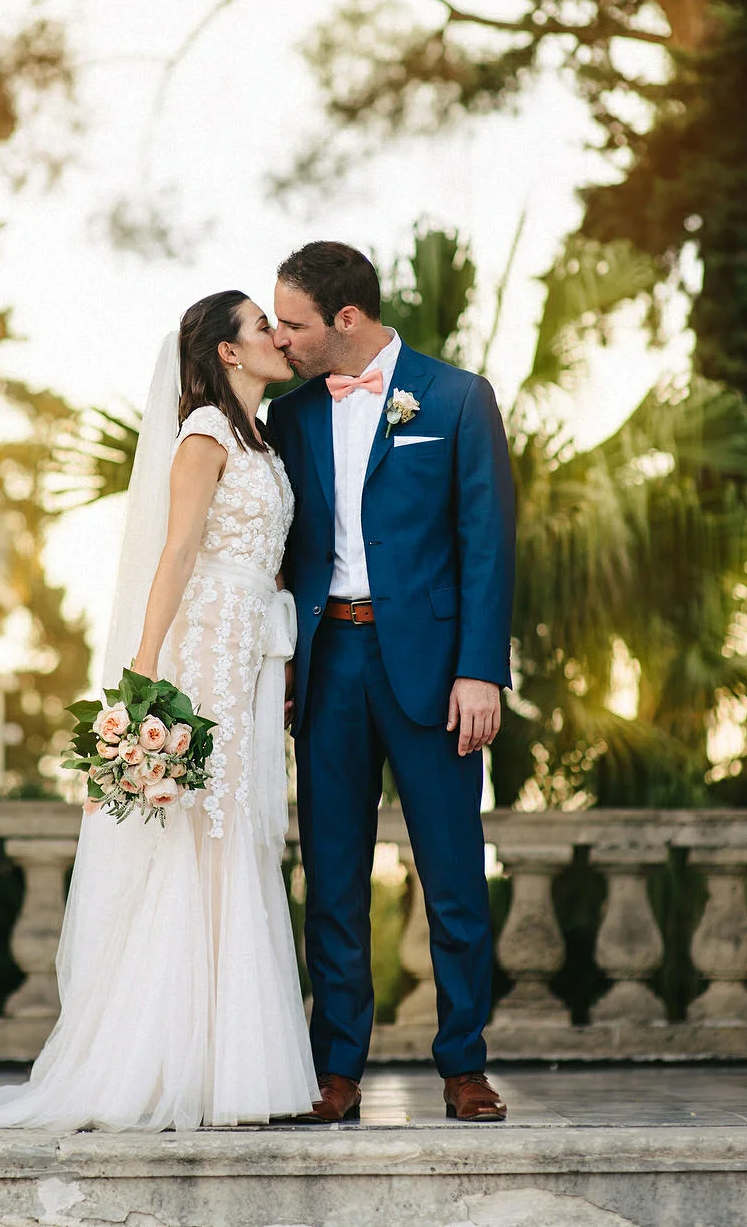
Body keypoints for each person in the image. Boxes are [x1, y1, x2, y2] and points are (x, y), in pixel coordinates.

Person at [0, 291, 320, 1131]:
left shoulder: (260, 440)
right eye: (259, 327)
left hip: (248, 650)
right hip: (201, 647)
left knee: (231, 837)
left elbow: (264, 558)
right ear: (227, 353)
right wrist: (143, 677)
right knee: (197, 837)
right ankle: (168, 1061)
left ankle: (226, 1061)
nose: (278, 337)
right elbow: (174, 552)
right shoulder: (204, 434)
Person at [266, 242, 516, 1125]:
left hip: (435, 673)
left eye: (293, 323)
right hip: (326, 664)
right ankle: (336, 1069)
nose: (281, 339)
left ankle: (463, 1064)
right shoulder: (288, 416)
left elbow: (487, 544)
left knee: (450, 875)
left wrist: (481, 669)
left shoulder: (454, 399)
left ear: (346, 319)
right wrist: (277, 666)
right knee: (331, 878)